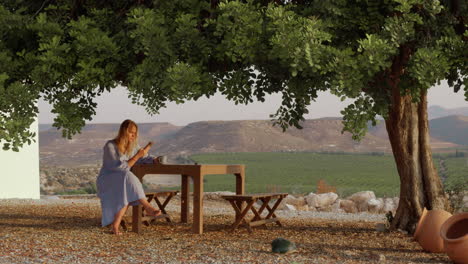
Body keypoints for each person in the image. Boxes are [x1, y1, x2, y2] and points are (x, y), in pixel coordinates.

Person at [97, 119, 161, 235]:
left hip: (122, 180)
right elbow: (119, 168)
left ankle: (115, 227)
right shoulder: (110, 145)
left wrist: (154, 160)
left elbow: (144, 157)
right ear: (124, 131)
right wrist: (137, 156)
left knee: (126, 189)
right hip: (107, 179)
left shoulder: (133, 146)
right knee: (127, 176)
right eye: (131, 132)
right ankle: (147, 206)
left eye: (135, 133)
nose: (134, 135)